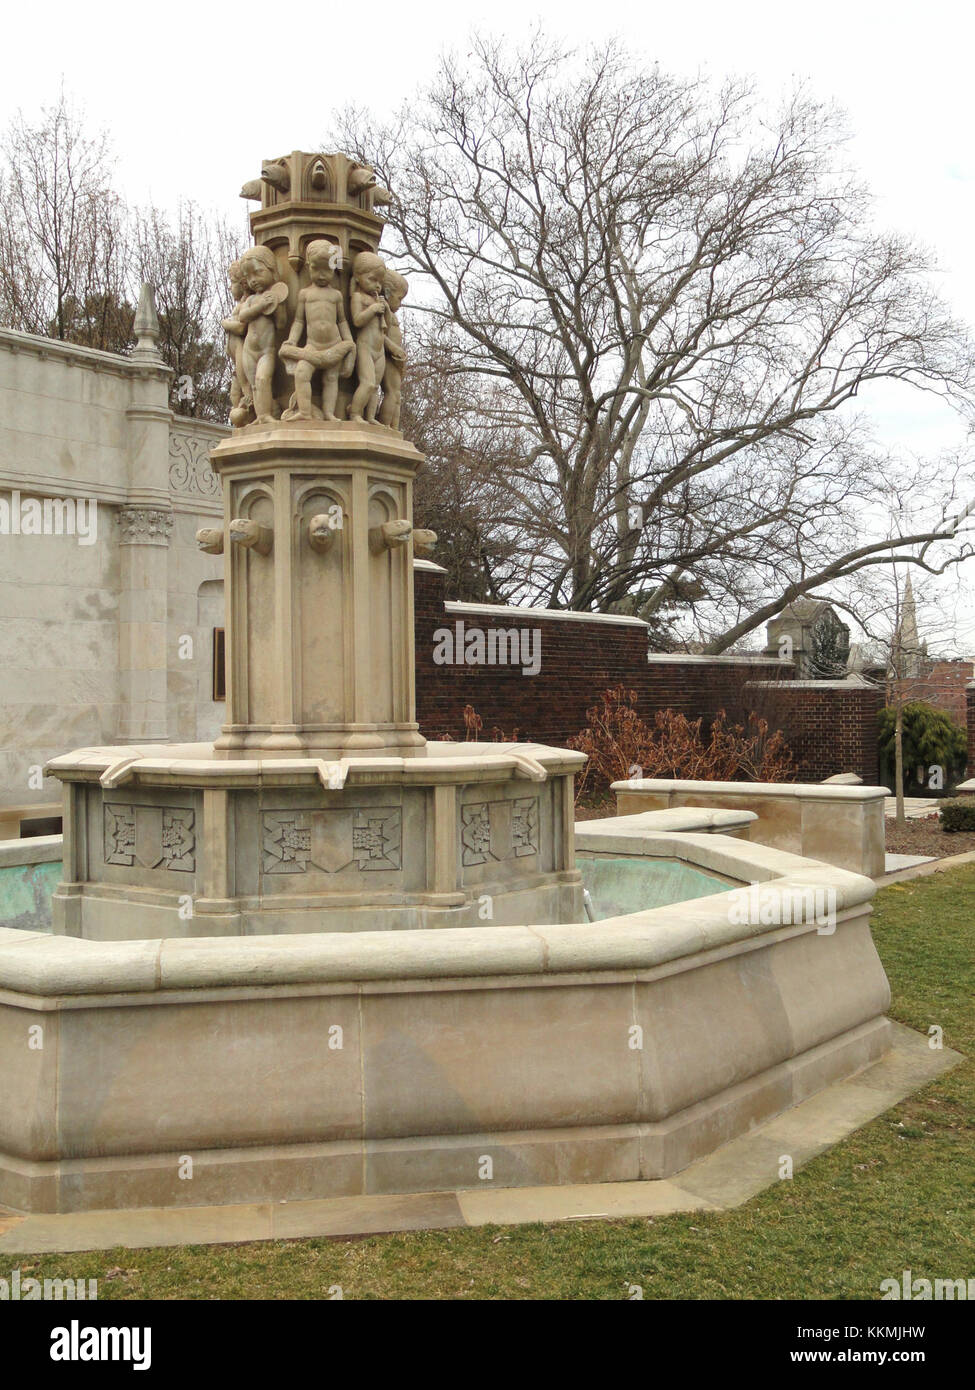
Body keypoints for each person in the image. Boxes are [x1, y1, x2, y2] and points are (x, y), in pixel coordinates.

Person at [279, 240, 355, 420]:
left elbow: (342, 321)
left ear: (334, 270)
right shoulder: (305, 294)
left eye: (327, 270)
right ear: (308, 267)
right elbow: (298, 321)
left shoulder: (336, 295)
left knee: (331, 378)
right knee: (301, 372)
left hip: (333, 345)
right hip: (312, 346)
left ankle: (329, 412)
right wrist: (292, 340)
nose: (322, 275)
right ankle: (304, 412)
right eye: (316, 269)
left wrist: (349, 342)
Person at [347, 251, 389, 422]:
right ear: (358, 277)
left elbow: (386, 326)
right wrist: (372, 310)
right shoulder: (358, 297)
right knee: (368, 383)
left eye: (380, 282)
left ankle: (369, 416)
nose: (377, 286)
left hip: (379, 350)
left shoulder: (378, 301)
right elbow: (357, 320)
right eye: (373, 280)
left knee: (375, 387)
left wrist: (385, 311)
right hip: (365, 347)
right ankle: (354, 412)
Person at [378, 269, 408, 430]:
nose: (401, 303)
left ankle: (393, 428)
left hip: (394, 359)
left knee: (397, 394)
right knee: (391, 392)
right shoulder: (383, 309)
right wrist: (394, 349)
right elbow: (379, 335)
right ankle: (385, 426)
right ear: (388, 292)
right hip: (387, 357)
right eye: (399, 298)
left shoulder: (390, 312)